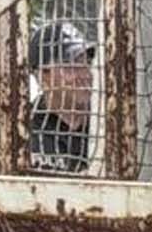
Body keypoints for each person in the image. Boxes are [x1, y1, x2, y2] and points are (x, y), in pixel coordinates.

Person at [23, 18, 97, 173]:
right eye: (71, 65)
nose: (85, 74)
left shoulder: (104, 124)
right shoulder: (24, 129)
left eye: (86, 62)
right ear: (43, 75)